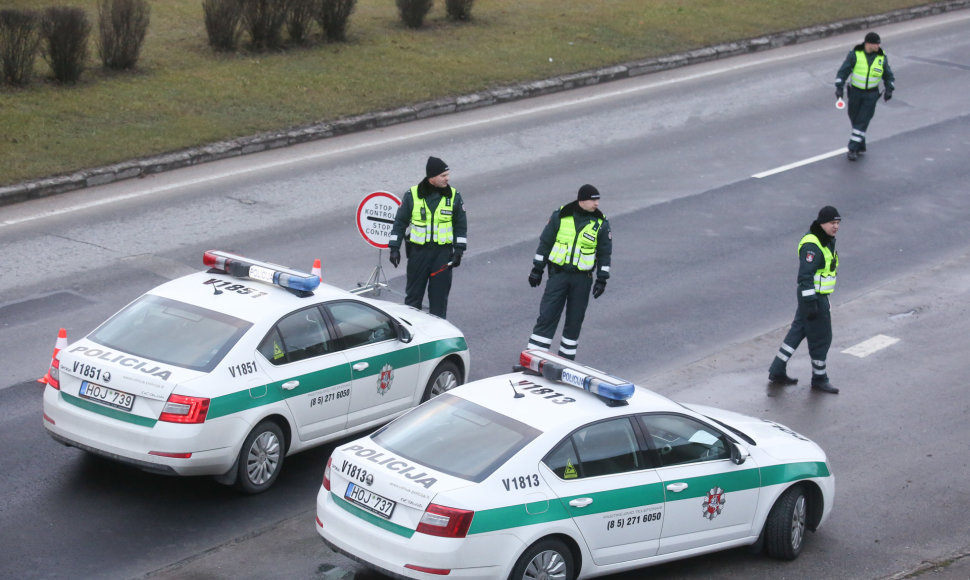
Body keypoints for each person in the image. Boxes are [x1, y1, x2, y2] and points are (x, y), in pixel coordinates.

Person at [526, 184, 612, 360]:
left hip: (583, 279)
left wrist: (602, 279)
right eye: (593, 199)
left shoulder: (601, 222)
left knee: (574, 322)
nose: (597, 203)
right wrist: (537, 268)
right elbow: (545, 243)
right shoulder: (561, 215)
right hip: (559, 275)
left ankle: (565, 364)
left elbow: (605, 252)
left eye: (598, 200)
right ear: (582, 200)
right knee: (547, 316)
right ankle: (534, 359)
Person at [768, 206, 841, 394]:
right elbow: (805, 277)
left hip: (814, 297)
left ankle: (777, 370)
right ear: (822, 223)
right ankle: (819, 378)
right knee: (821, 337)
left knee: (798, 331)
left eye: (838, 223)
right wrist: (811, 304)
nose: (836, 227)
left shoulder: (825, 240)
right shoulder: (813, 245)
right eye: (832, 223)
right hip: (814, 297)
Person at [387, 156, 467, 319]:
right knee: (413, 299)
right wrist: (394, 248)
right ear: (432, 177)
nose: (447, 179)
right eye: (443, 176)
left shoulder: (454, 196)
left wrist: (459, 251)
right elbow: (400, 223)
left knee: (439, 300)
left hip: (442, 255)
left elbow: (460, 226)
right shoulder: (413, 195)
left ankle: (438, 336)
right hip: (419, 254)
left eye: (447, 175)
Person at [835, 31, 895, 161]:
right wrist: (839, 87)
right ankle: (860, 145)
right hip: (855, 93)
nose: (878, 46)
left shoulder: (881, 57)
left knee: (862, 121)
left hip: (871, 95)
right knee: (854, 118)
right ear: (868, 44)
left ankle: (852, 148)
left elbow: (888, 75)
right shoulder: (855, 54)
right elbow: (843, 71)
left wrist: (889, 89)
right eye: (876, 44)